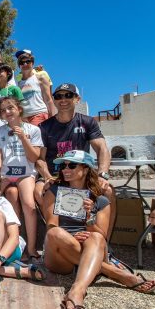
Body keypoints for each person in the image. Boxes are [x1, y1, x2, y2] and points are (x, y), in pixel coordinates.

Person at [43, 150, 155, 309]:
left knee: (96, 238)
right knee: (55, 233)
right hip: (60, 253)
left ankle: (77, 291)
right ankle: (115, 273)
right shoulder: (54, 192)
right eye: (63, 165)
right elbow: (51, 225)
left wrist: (89, 218)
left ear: (86, 169)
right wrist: (72, 238)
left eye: (72, 165)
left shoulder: (101, 201)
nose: (65, 169)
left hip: (90, 248)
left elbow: (102, 235)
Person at [35, 83, 116, 237]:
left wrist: (102, 175)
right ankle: (57, 235)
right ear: (54, 100)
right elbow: (40, 159)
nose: (63, 99)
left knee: (107, 191)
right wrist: (47, 177)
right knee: (39, 191)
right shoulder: (44, 126)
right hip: (54, 173)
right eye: (58, 96)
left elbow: (103, 149)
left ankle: (105, 241)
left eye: (68, 95)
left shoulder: (87, 122)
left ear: (77, 99)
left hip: (80, 173)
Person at [0, 97, 43, 260]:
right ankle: (15, 245)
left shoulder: (33, 129)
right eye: (3, 110)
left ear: (19, 109)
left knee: (29, 205)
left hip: (26, 174)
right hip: (7, 174)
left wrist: (23, 138)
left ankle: (32, 248)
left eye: (10, 107)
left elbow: (34, 157)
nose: (7, 112)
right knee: (2, 201)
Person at [16, 51, 55, 125]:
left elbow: (48, 99)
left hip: (38, 114)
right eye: (21, 62)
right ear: (19, 66)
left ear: (32, 63)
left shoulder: (41, 77)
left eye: (28, 61)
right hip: (24, 119)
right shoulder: (18, 83)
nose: (25, 64)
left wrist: (53, 119)